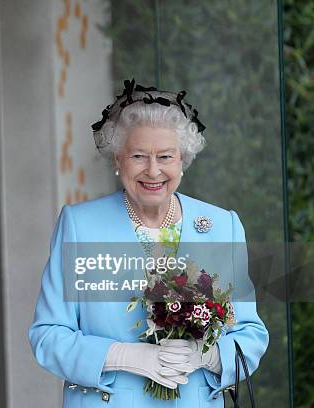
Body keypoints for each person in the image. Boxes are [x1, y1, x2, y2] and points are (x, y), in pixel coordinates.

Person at [29, 79, 268, 407]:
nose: (153, 171)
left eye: (166, 156)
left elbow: (250, 335)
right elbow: (47, 336)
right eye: (138, 156)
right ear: (117, 160)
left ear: (182, 160)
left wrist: (206, 356)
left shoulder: (221, 226)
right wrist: (124, 356)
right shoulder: (80, 226)